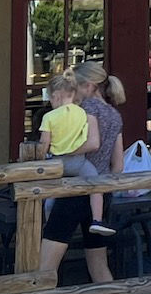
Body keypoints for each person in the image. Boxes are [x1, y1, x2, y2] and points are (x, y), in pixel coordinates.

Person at [32, 62, 128, 294]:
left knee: (46, 268)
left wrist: (54, 153)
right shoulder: (114, 115)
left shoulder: (84, 112)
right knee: (99, 265)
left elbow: (81, 143)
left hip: (73, 192)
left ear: (88, 87)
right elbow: (118, 165)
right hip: (100, 192)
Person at [37, 73, 114, 237]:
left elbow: (44, 144)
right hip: (79, 161)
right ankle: (97, 220)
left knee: (51, 196)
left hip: (57, 162)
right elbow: (86, 138)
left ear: (56, 96)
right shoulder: (82, 113)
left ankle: (49, 226)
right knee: (96, 185)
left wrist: (43, 155)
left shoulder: (49, 117)